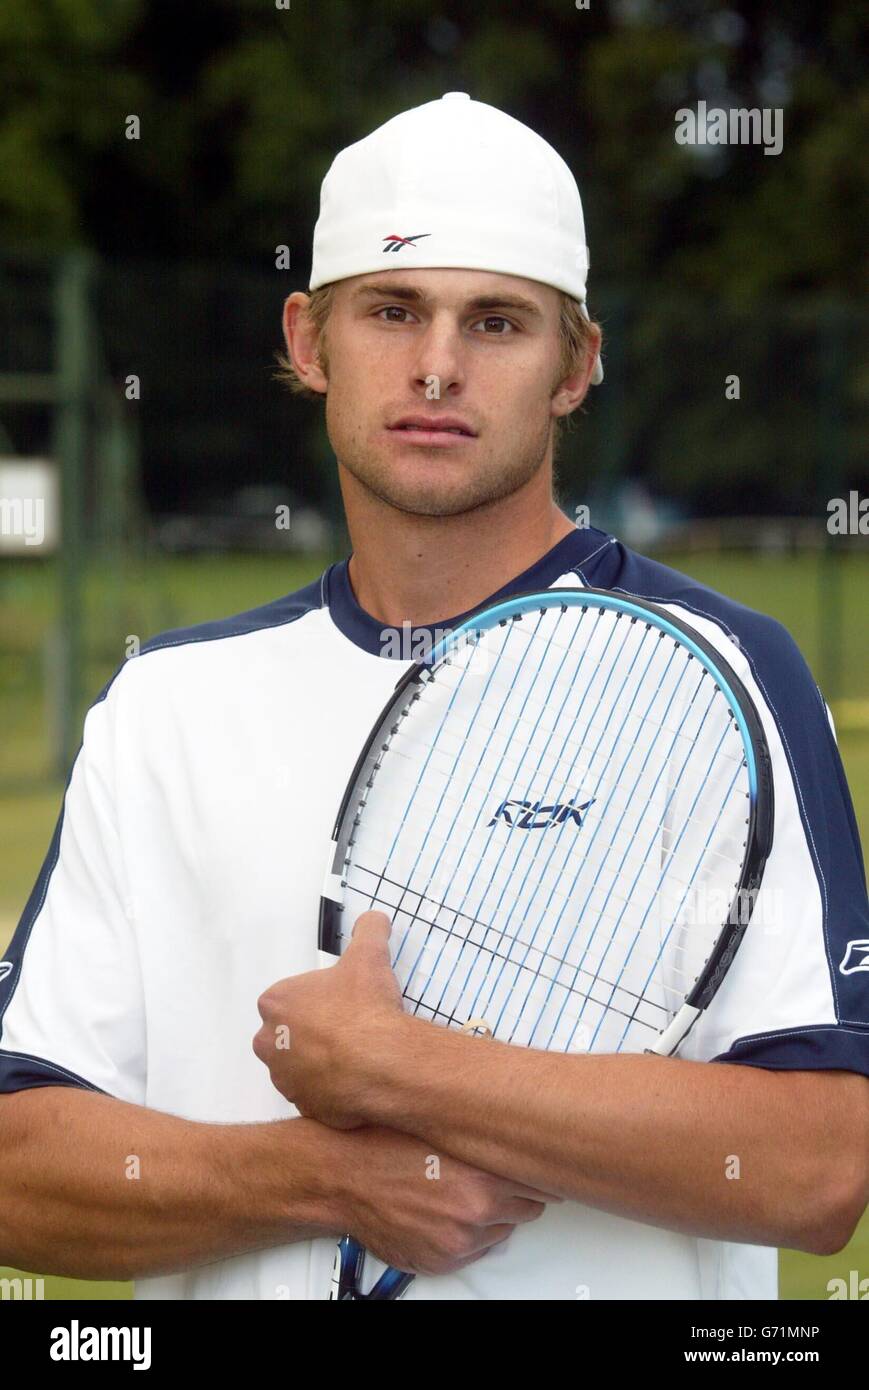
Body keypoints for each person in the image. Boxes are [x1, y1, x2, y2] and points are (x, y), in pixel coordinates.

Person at [1, 94, 866, 1301]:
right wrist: (326, 1181)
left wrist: (405, 1069)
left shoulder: (726, 672)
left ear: (576, 367)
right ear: (307, 341)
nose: (437, 365)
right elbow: (18, 1164)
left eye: (497, 321)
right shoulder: (165, 705)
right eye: (392, 310)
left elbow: (819, 1166)